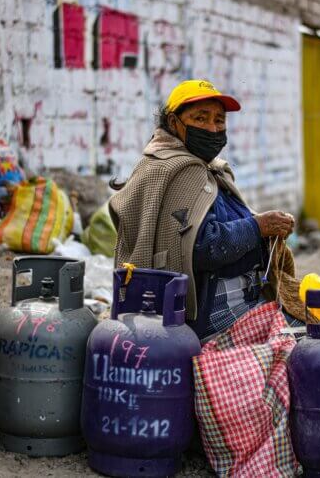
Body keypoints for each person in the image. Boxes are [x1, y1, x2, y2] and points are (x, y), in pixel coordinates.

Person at [110, 80, 298, 339]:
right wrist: (259, 227)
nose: (212, 128)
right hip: (211, 310)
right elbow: (203, 247)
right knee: (308, 335)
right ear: (174, 123)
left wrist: (265, 227)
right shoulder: (178, 171)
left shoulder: (210, 170)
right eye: (201, 118)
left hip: (241, 296)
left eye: (219, 121)